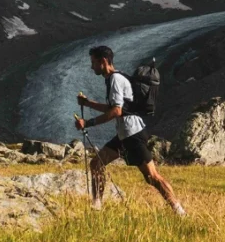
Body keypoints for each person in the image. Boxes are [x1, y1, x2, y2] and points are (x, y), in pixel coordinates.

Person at [74, 45, 185, 216]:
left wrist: (88, 123)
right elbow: (114, 107)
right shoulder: (114, 78)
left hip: (132, 135)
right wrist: (88, 103)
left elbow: (116, 111)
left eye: (94, 62)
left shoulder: (115, 80)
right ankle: (96, 208)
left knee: (152, 177)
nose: (92, 67)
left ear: (104, 61)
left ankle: (179, 211)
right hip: (125, 134)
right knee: (96, 164)